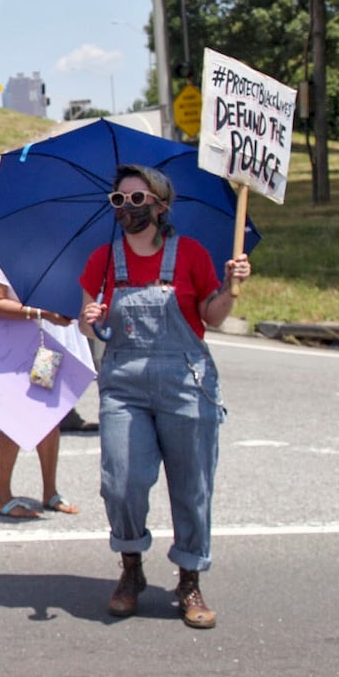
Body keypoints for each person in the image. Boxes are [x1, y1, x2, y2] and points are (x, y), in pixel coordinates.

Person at [79, 164, 252, 630]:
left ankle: (189, 578)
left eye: (137, 200)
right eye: (119, 201)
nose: (127, 209)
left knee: (192, 486)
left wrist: (232, 289)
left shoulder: (191, 254)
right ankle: (131, 568)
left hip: (186, 382)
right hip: (123, 386)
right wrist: (91, 317)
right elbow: (89, 322)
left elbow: (211, 317)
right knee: (121, 481)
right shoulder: (102, 260)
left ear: (159, 205)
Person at [0, 244, 87, 520]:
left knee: (49, 412)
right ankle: (1, 496)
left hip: (45, 345)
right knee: (16, 416)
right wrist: (42, 313)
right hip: (14, 348)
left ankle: (50, 491)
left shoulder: (46, 248)